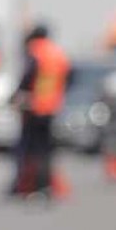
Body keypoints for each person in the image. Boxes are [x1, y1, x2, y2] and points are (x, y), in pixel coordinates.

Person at [11, 24, 70, 198]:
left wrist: (15, 95)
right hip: (52, 108)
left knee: (30, 149)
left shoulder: (35, 52)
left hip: (35, 107)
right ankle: (45, 186)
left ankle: (30, 186)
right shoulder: (58, 53)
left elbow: (27, 77)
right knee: (46, 150)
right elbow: (68, 77)